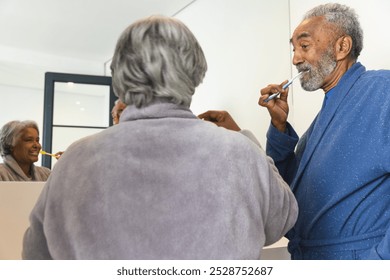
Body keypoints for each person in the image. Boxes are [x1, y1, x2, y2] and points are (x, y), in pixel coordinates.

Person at [22, 15, 297, 260]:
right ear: (195, 73)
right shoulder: (240, 152)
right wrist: (243, 140)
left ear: (119, 78)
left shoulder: (75, 160)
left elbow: (36, 255)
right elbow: (281, 220)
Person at [202, 3, 390, 260]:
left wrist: (379, 261)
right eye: (294, 49)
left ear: (341, 47)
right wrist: (279, 127)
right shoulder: (327, 114)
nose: (295, 59)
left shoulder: (383, 91)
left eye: (304, 46)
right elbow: (286, 189)